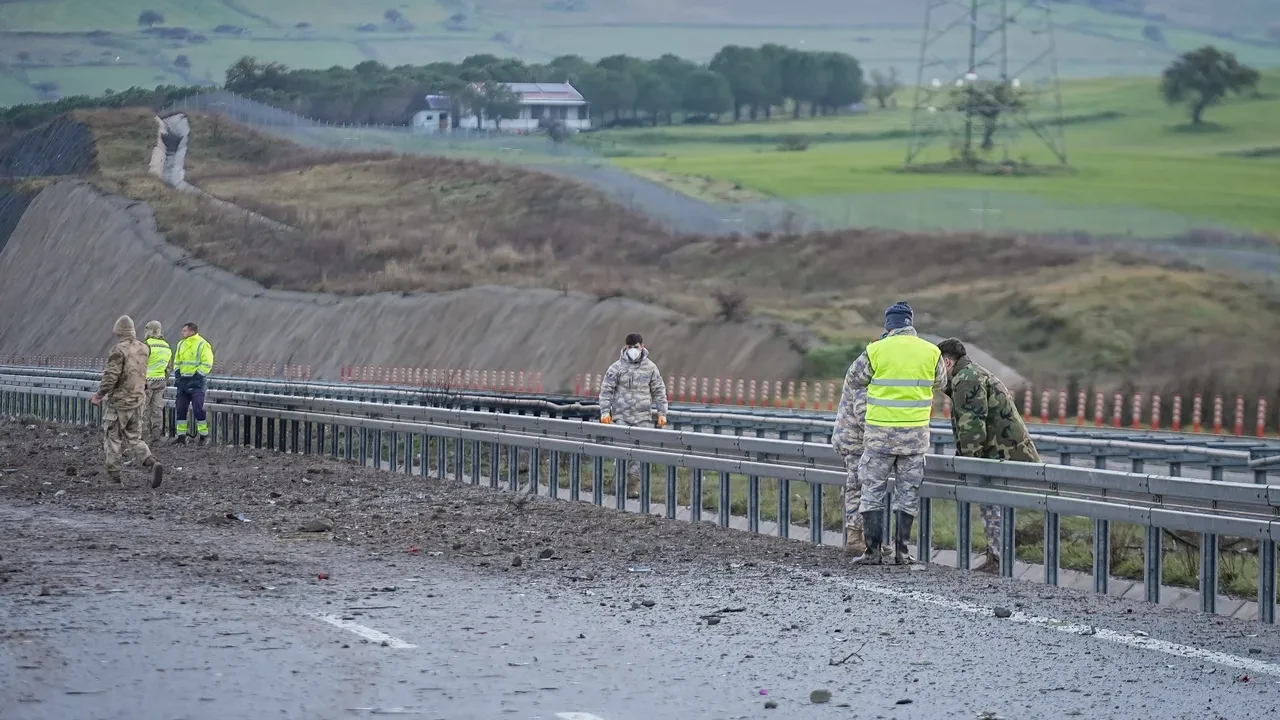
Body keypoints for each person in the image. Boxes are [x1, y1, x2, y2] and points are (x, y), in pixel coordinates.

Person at [846, 302, 947, 565]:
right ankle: (902, 552)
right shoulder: (931, 351)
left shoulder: (875, 350)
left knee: (872, 492)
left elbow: (855, 379)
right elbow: (941, 382)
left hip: (879, 436)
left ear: (888, 325)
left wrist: (865, 407)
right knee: (908, 494)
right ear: (910, 323)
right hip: (914, 438)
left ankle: (872, 552)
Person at [937, 337, 1041, 573]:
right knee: (994, 505)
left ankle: (998, 559)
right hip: (1002, 450)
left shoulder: (966, 379)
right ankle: (998, 557)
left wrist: (968, 462)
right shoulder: (972, 373)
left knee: (992, 506)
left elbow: (972, 424)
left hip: (1000, 453)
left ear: (947, 362)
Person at [89, 315, 164, 488]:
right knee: (135, 437)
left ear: (118, 332)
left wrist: (99, 395)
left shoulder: (118, 350)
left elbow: (111, 376)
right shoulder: (144, 348)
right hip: (138, 399)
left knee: (112, 436)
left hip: (119, 402)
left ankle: (114, 475)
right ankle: (151, 462)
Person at [598, 333, 668, 499]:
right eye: (630, 347)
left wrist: (662, 413)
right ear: (625, 347)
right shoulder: (616, 368)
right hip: (622, 416)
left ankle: (632, 487)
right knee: (621, 452)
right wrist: (605, 412)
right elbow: (606, 391)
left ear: (642, 346)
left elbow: (659, 390)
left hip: (642, 417)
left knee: (639, 454)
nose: (633, 350)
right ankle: (618, 484)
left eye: (635, 347)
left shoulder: (651, 368)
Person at [172, 321, 214, 444]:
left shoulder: (202, 344)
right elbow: (177, 361)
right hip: (183, 382)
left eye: (184, 330)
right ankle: (181, 436)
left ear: (192, 331)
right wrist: (178, 374)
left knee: (198, 409)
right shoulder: (181, 344)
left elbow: (207, 363)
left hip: (197, 383)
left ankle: (204, 435)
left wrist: (196, 377)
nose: (182, 332)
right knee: (180, 408)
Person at [142, 321, 172, 444]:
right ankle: (156, 436)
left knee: (143, 410)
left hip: (146, 382)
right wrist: (163, 378)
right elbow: (169, 367)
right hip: (160, 381)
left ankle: (144, 436)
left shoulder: (147, 345)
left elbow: (140, 364)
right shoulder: (166, 346)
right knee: (157, 410)